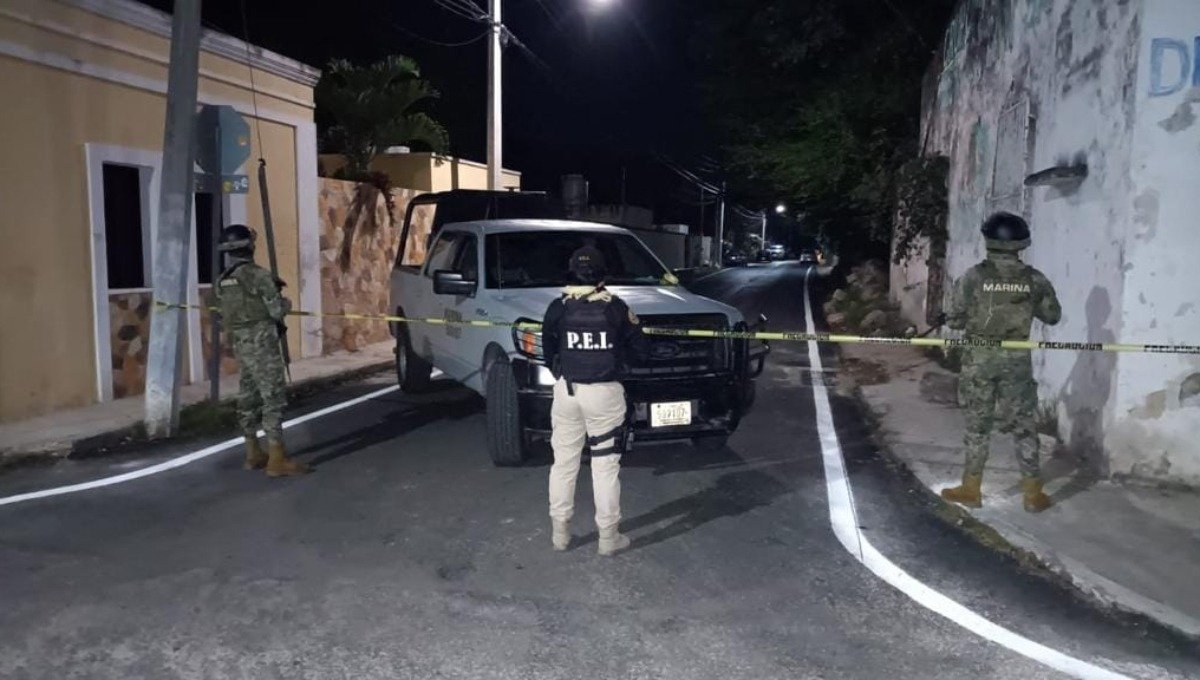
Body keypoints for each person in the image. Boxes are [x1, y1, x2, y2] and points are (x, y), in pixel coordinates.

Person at [940, 212, 1061, 512]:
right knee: (1024, 425)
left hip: (979, 361)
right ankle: (1032, 494)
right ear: (1021, 243)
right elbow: (1052, 316)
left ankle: (971, 489)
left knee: (978, 427)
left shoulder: (973, 277)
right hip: (1016, 362)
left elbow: (954, 320)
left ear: (989, 240)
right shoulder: (1034, 279)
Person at [541, 246, 648, 555]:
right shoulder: (615, 308)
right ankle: (608, 538)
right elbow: (641, 350)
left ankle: (560, 535)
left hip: (567, 392)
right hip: (604, 395)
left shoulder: (558, 307)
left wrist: (563, 371)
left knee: (564, 463)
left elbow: (548, 352)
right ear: (602, 276)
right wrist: (620, 363)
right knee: (604, 467)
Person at [215, 224, 310, 478]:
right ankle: (277, 458)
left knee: (248, 396)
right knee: (273, 398)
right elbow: (276, 311)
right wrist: (286, 302)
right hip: (263, 344)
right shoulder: (258, 276)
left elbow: (224, 314)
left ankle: (253, 452)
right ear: (249, 246)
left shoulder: (223, 280)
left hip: (242, 345)